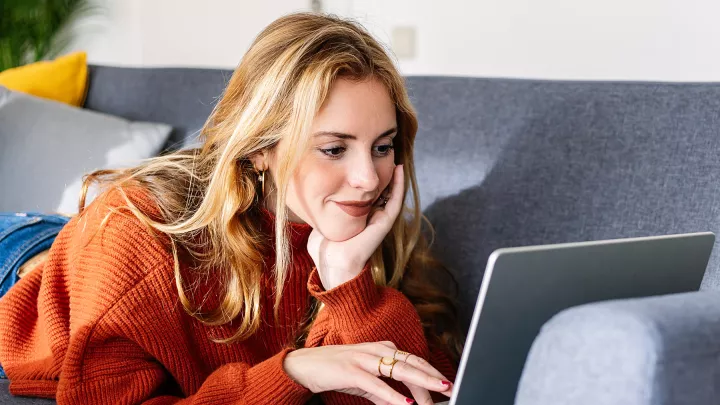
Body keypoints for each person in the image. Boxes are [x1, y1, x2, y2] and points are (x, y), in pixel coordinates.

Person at [0, 12, 464, 405]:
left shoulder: (353, 228)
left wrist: (349, 283)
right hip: (25, 259)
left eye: (382, 147)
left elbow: (420, 391)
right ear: (260, 148)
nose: (368, 179)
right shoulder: (136, 242)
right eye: (334, 149)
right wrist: (293, 372)